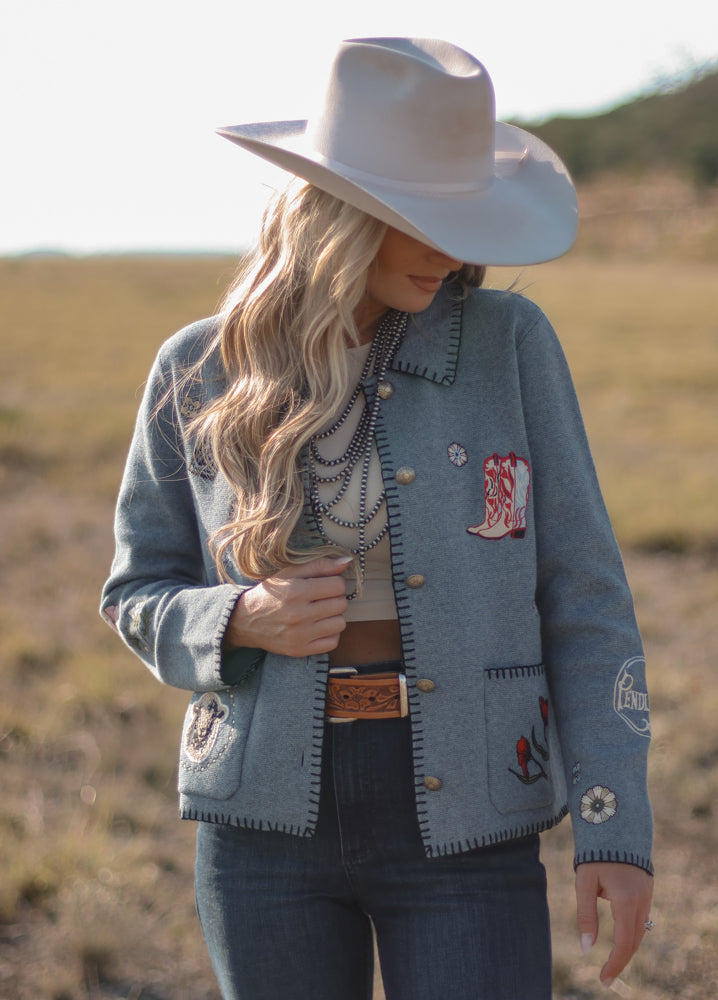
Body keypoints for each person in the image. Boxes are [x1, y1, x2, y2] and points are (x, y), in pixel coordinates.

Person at [101, 37, 654, 1000]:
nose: (454, 246)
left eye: (464, 215)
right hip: (261, 828)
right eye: (421, 217)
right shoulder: (197, 369)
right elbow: (136, 590)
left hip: (473, 815)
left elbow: (585, 594)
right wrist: (240, 619)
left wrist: (615, 826)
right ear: (339, 214)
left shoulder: (509, 345)